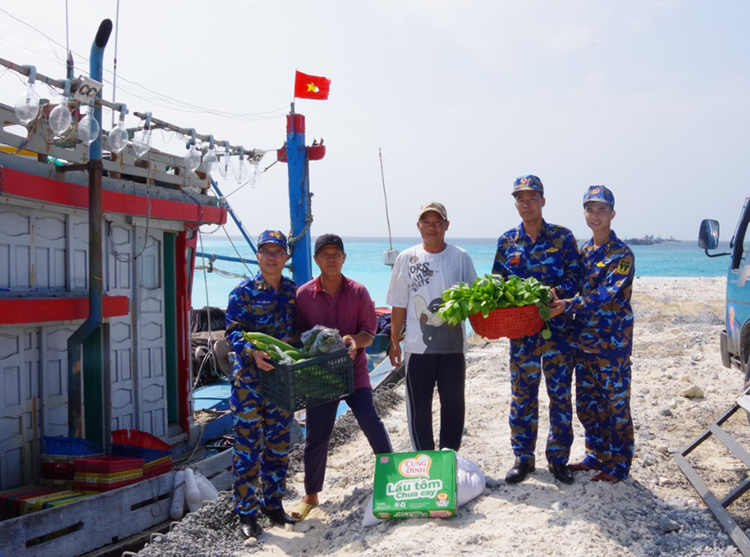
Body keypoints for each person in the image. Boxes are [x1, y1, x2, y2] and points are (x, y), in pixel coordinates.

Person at [290, 234, 393, 521]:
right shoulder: (303, 295)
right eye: (325, 254)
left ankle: (393, 477)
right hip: (320, 378)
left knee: (370, 420)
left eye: (337, 253)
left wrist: (353, 342)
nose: (332, 258)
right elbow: (300, 335)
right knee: (316, 436)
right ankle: (311, 495)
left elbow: (369, 333)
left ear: (344, 258)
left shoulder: (358, 291)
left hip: (354, 372)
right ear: (316, 260)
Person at [493, 175, 580, 485]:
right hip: (522, 336)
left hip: (558, 333)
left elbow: (576, 278)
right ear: (515, 203)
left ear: (543, 201)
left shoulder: (563, 237)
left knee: (559, 396)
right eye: (520, 198)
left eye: (531, 197)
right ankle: (523, 459)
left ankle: (558, 460)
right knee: (522, 397)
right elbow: (497, 285)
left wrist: (554, 293)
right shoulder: (507, 241)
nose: (526, 203)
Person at [550, 186, 635, 484]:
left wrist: (567, 305)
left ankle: (619, 465)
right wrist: (554, 293)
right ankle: (596, 455)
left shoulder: (622, 254)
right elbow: (574, 284)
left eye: (601, 210)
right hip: (583, 343)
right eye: (590, 209)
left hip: (612, 344)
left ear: (612, 214)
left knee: (616, 406)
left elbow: (605, 295)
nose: (595, 215)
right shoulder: (584, 251)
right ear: (584, 213)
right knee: (588, 405)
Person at [387, 202, 478, 452]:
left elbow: (474, 300)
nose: (431, 227)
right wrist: (394, 342)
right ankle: (424, 456)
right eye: (426, 222)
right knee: (419, 407)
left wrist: (481, 325)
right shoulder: (406, 258)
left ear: (446, 225)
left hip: (452, 348)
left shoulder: (460, 257)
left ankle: (450, 456)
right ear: (418, 226)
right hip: (417, 350)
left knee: (453, 404)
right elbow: (398, 304)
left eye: (437, 222)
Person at [225, 230, 297, 539]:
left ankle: (274, 505)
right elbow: (232, 332)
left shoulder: (294, 292)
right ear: (258, 256)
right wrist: (252, 352)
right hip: (250, 384)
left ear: (285, 257)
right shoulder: (242, 292)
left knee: (278, 446)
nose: (271, 256)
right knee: (247, 449)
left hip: (281, 382)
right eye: (265, 251)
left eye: (277, 251)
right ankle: (246, 514)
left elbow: (302, 330)